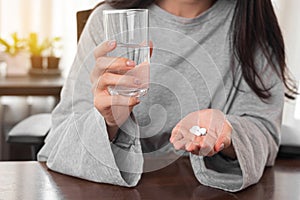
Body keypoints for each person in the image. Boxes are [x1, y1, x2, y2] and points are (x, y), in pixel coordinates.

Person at [38, 0, 297, 192]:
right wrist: (108, 121)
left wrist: (228, 133)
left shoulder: (251, 23)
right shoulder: (106, 20)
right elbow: (58, 144)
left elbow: (264, 131)